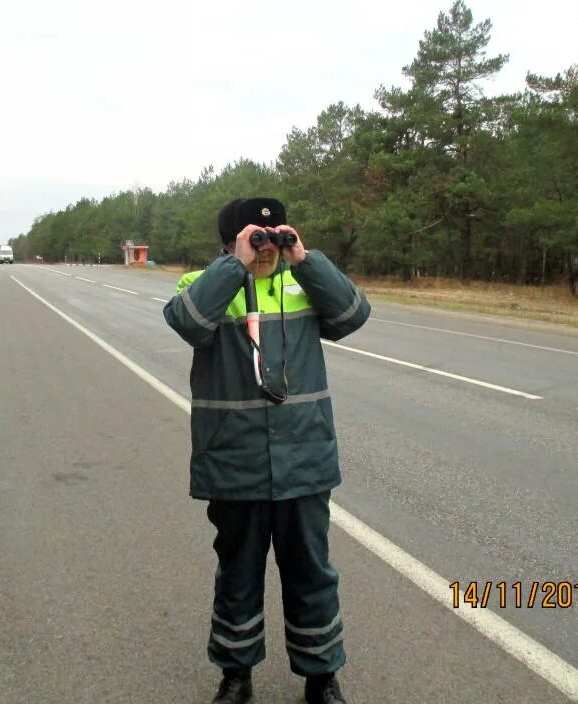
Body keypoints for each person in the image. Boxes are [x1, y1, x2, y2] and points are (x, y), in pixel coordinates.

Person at [162, 197, 370, 704]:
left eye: (273, 236)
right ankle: (236, 674)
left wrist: (305, 258)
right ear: (231, 241)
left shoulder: (302, 286)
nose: (267, 247)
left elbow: (353, 314)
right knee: (238, 574)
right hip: (235, 462)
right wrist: (235, 264)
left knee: (312, 574)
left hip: (304, 462)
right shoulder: (204, 286)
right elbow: (187, 322)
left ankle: (322, 677)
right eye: (257, 237)